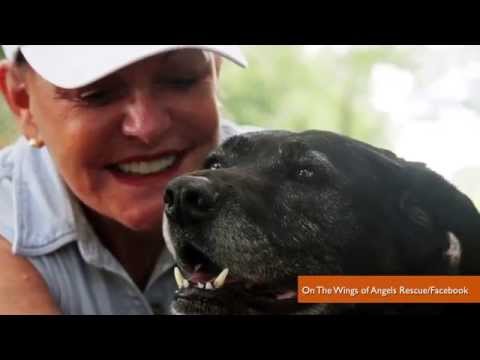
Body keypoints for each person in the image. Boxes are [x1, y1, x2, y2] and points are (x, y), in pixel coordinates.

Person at [0, 45, 253, 314]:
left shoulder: (290, 181)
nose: (147, 127)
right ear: (22, 101)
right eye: (96, 94)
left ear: (215, 71)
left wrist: (298, 292)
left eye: (182, 79)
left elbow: (305, 287)